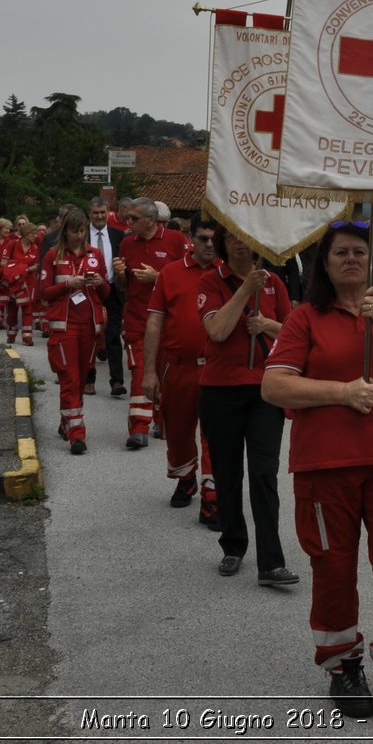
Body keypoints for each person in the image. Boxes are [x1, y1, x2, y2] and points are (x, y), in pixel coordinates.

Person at [261, 219, 373, 721]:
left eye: (361, 252)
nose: (352, 259)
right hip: (325, 467)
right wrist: (341, 392)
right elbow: (274, 387)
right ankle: (343, 665)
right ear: (326, 263)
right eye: (341, 253)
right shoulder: (304, 319)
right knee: (333, 569)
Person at [197, 224, 294, 581]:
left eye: (246, 237)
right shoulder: (211, 281)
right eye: (232, 237)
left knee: (264, 473)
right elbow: (217, 331)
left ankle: (271, 561)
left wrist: (266, 323)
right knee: (227, 472)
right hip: (220, 390)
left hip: (265, 391)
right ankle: (234, 544)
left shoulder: (275, 283)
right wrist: (245, 291)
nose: (239, 244)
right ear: (224, 243)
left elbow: (292, 332)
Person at [143, 222, 223, 525]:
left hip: (216, 368)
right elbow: (154, 323)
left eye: (214, 240)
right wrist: (149, 372)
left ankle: (211, 498)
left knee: (213, 434)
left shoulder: (225, 274)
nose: (209, 245)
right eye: (203, 239)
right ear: (192, 240)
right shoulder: (170, 273)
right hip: (177, 367)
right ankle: (185, 476)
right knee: (177, 431)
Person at [114, 197, 189, 448]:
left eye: (134, 219)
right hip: (136, 319)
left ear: (151, 220)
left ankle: (159, 418)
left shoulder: (176, 241)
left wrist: (158, 277)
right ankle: (138, 427)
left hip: (169, 321)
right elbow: (123, 287)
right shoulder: (126, 243)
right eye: (128, 218)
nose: (128, 222)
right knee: (140, 371)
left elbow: (189, 280)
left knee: (163, 372)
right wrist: (119, 275)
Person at [40, 208, 109, 455]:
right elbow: (45, 292)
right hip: (63, 326)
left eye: (82, 231)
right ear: (65, 231)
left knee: (80, 378)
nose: (78, 236)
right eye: (74, 231)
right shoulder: (52, 255)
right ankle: (77, 434)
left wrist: (101, 283)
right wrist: (68, 284)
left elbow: (106, 294)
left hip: (89, 327)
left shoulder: (96, 255)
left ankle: (66, 420)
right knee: (69, 377)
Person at [86, 197, 127, 398]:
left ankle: (117, 381)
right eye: (96, 213)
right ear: (89, 214)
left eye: (103, 212)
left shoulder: (118, 235)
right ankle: (88, 380)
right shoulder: (81, 235)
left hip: (112, 290)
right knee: (88, 336)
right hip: (88, 290)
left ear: (108, 212)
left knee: (113, 336)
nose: (100, 216)